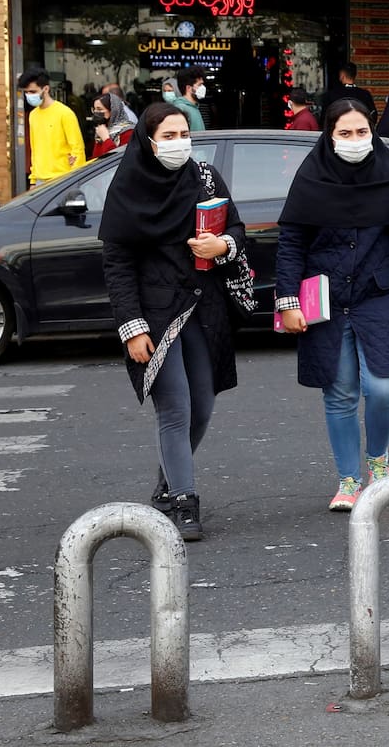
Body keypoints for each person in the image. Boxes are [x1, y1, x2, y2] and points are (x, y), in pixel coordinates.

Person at [276, 98, 389, 512]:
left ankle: (377, 462)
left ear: (373, 131)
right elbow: (291, 243)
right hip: (325, 301)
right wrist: (287, 300)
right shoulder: (311, 177)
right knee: (340, 392)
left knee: (383, 388)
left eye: (361, 132)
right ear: (329, 135)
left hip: (376, 296)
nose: (354, 140)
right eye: (344, 133)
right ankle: (348, 479)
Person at [100, 102, 249, 540]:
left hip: (203, 307)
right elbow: (117, 264)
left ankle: (167, 484)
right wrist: (132, 327)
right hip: (155, 314)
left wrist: (220, 246)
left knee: (202, 405)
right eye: (168, 136)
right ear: (147, 142)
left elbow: (237, 229)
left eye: (184, 133)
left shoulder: (204, 177)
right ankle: (185, 501)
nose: (179, 143)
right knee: (176, 407)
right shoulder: (128, 187)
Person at [17, 68, 86, 187]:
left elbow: (77, 149)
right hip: (39, 180)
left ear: (46, 89)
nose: (29, 95)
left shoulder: (65, 113)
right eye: (26, 92)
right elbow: (35, 149)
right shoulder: (33, 115)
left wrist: (74, 181)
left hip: (63, 179)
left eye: (33, 92)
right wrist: (33, 180)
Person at [90, 92, 135, 158]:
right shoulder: (103, 129)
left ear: (113, 110)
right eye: (94, 109)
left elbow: (117, 159)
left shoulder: (128, 131)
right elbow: (96, 158)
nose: (96, 112)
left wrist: (106, 139)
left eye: (99, 109)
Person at [173, 66, 207, 132]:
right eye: (199, 85)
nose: (203, 88)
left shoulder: (194, 107)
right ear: (188, 88)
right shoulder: (181, 108)